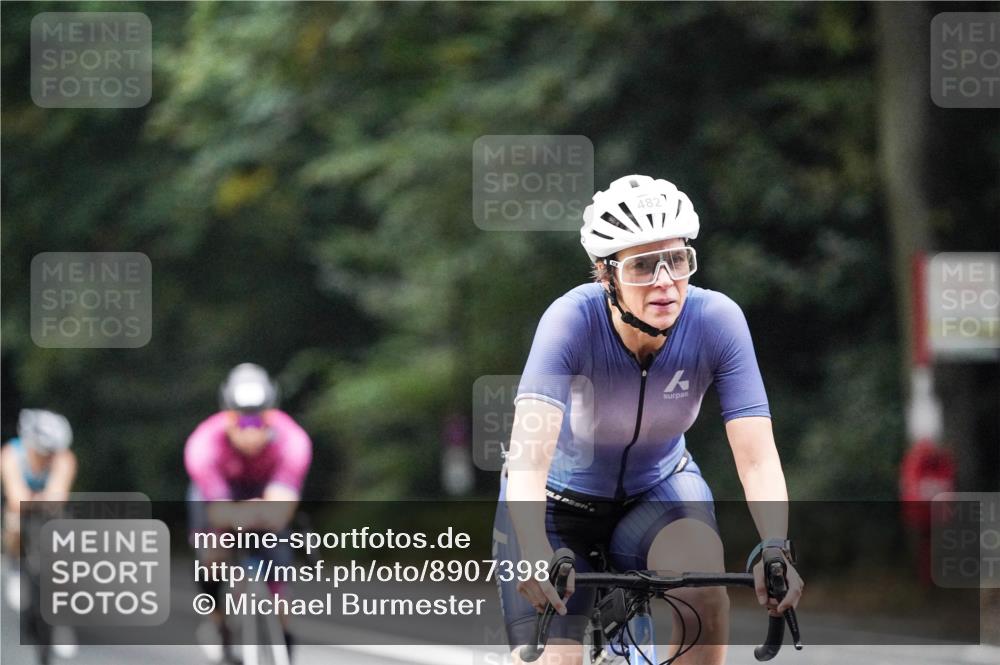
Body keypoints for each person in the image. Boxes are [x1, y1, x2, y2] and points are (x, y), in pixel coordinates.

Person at [493, 175, 804, 665]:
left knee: (705, 594)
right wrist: (532, 547)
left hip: (657, 491)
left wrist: (775, 546)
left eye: (677, 260)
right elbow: (529, 461)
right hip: (555, 506)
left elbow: (758, 457)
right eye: (641, 266)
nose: (664, 281)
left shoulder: (717, 321)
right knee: (559, 660)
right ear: (607, 275)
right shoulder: (569, 321)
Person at [185, 363, 312, 663]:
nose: (251, 432)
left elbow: (280, 506)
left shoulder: (293, 441)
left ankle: (284, 640)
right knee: (212, 556)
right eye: (243, 423)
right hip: (218, 493)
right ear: (227, 417)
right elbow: (218, 511)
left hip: (266, 492)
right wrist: (238, 518)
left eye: (258, 422)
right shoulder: (203, 444)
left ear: (271, 416)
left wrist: (266, 515)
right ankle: (218, 622)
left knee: (278, 573)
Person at [2, 408, 79, 657]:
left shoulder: (64, 458)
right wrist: (36, 499)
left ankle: (61, 619)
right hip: (21, 511)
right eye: (44, 453)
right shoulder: (11, 454)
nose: (48, 458)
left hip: (47, 511)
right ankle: (15, 566)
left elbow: (58, 497)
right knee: (13, 520)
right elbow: (17, 498)